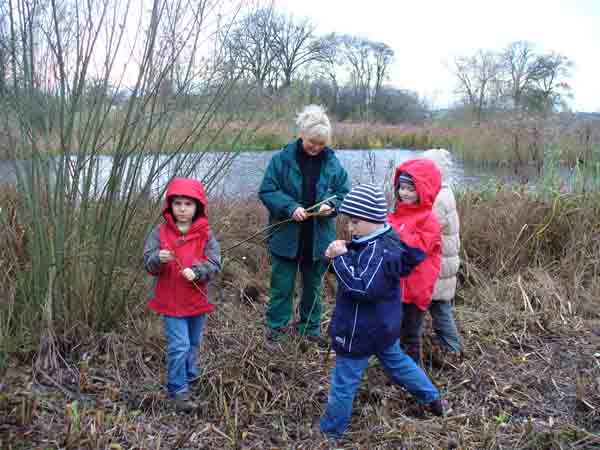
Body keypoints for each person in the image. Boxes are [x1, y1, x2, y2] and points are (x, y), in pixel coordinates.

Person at [319, 184, 446, 438]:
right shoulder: (384, 239)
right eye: (348, 221)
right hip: (383, 328)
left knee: (344, 383)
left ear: (374, 219)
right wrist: (342, 254)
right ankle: (432, 398)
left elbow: (362, 287)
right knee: (399, 364)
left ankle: (330, 435)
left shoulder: (380, 250)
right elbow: (362, 268)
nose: (350, 228)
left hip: (359, 332)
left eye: (355, 222)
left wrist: (338, 259)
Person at [258, 105, 350, 347]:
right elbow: (267, 190)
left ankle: (309, 329)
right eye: (312, 142)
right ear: (301, 134)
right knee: (282, 287)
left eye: (321, 144)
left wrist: (332, 206)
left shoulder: (333, 164)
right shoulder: (281, 160)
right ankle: (276, 330)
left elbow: (344, 193)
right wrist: (289, 207)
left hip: (318, 240)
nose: (316, 148)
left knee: (313, 288)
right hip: (285, 238)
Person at [143, 178, 221, 412]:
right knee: (179, 345)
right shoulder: (159, 233)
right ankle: (177, 390)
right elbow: (148, 264)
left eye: (188, 204)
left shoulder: (206, 234)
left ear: (197, 206)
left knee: (193, 344)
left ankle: (189, 378)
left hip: (197, 301)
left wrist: (198, 272)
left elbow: (215, 264)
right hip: (171, 302)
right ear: (170, 205)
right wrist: (158, 258)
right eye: (178, 203)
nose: (183, 209)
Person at [388, 159, 442, 365]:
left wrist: (392, 237)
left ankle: (415, 379)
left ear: (423, 190)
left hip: (415, 291)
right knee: (393, 331)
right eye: (401, 188)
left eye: (411, 189)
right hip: (396, 289)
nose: (405, 193)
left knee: (411, 336)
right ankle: (396, 371)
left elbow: (414, 252)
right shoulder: (395, 216)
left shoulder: (429, 221)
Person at [422, 149, 461, 355]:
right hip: (444, 263)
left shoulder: (437, 197)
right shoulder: (446, 191)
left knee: (433, 308)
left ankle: (452, 349)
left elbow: (428, 230)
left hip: (437, 265)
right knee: (440, 308)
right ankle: (451, 347)